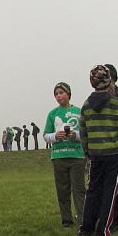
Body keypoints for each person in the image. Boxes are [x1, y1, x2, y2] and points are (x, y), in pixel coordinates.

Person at [78, 65, 118, 236]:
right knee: (110, 193)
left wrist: (88, 151)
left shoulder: (86, 105)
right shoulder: (117, 104)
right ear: (109, 80)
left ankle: (85, 230)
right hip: (114, 154)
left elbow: (83, 132)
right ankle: (102, 232)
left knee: (93, 191)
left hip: (95, 155)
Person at [42, 81, 85, 228]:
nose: (58, 96)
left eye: (61, 92)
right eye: (56, 94)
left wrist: (75, 135)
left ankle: (83, 219)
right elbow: (45, 135)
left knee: (79, 190)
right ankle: (66, 220)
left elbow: (86, 134)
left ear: (68, 94)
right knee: (62, 190)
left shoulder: (79, 112)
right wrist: (55, 136)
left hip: (77, 156)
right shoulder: (52, 114)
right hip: (58, 157)